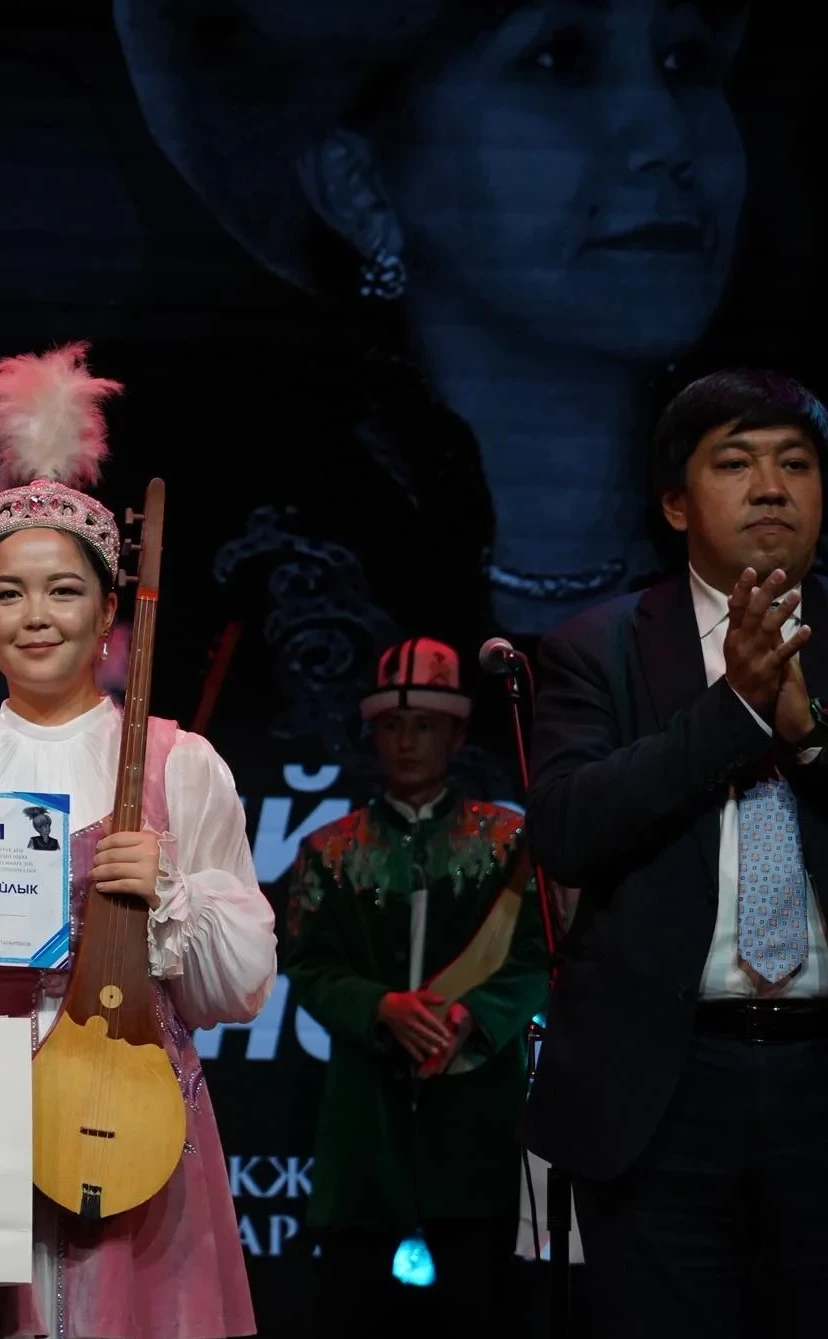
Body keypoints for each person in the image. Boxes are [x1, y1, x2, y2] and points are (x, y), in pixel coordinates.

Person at [112, 0, 755, 776]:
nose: (666, 137)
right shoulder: (216, 583)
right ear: (356, 184)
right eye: (558, 59)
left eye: (685, 62)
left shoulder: (783, 577)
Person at [0, 343, 274, 1339]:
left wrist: (166, 896)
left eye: (63, 591)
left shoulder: (178, 763)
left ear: (109, 609)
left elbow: (239, 987)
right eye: (8, 594)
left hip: (130, 1117)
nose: (35, 617)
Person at [525, 370, 828, 1339]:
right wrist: (734, 712)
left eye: (794, 463)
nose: (770, 487)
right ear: (674, 503)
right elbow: (567, 829)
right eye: (735, 463)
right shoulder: (596, 646)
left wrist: (808, 739)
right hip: (662, 1088)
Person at [281, 638, 549, 1339]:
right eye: (393, 726)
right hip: (365, 1142)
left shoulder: (510, 843)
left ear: (458, 735)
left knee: (481, 1332)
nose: (407, 741)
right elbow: (306, 962)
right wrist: (378, 1007)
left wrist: (475, 1016)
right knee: (353, 1333)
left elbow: (538, 959)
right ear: (372, 734)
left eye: (425, 726)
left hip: (480, 1140)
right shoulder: (329, 849)